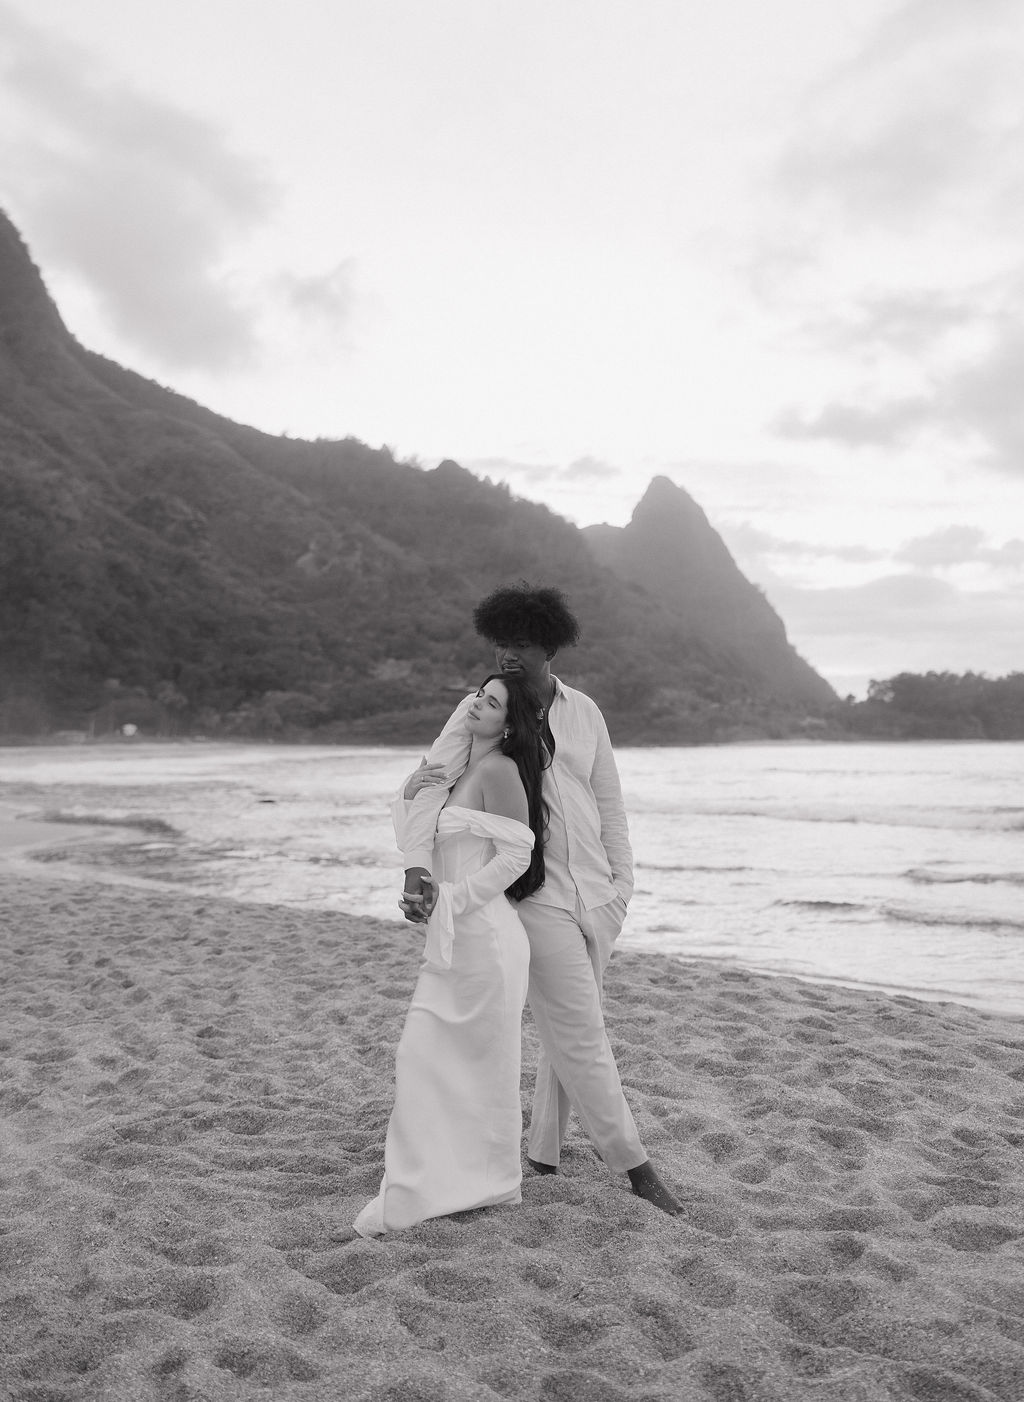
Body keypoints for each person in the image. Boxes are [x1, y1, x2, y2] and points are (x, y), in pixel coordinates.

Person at [400, 584, 681, 1215]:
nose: (508, 655)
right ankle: (636, 1169)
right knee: (582, 1031)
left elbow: (609, 804)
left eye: (521, 644)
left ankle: (545, 1151)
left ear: (548, 647)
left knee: (568, 1029)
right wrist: (417, 868)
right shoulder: (483, 710)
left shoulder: (585, 713)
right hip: (537, 896)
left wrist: (624, 886)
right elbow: (429, 787)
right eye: (501, 643)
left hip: (600, 896)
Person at [354, 672, 548, 1236]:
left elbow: (519, 852)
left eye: (491, 704)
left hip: (487, 939)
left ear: (509, 723)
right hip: (457, 936)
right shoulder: (459, 770)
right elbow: (422, 842)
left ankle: (482, 1181)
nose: (476, 707)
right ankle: (441, 1178)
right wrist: (414, 791)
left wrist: (453, 897)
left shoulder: (500, 771)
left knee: (478, 1066)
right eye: (478, 696)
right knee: (429, 1059)